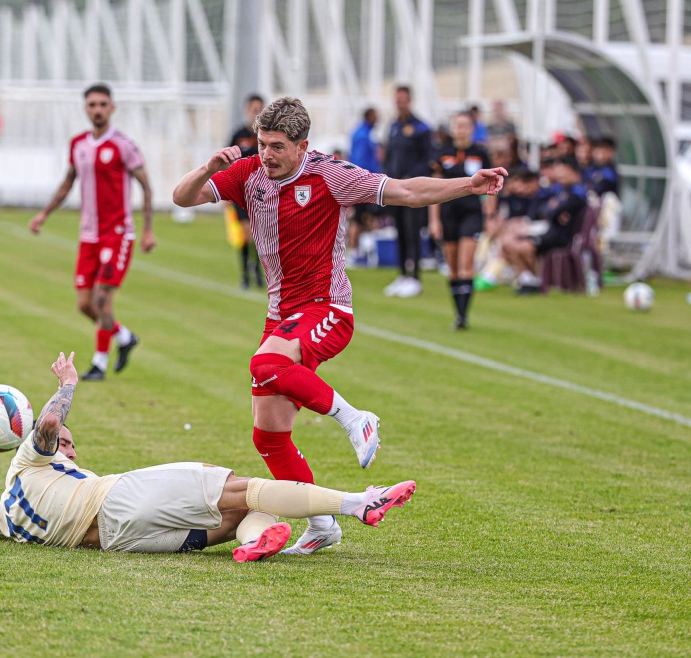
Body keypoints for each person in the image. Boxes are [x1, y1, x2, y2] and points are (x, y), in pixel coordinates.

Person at [172, 96, 505, 554]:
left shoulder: (329, 174)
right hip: (281, 316)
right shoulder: (248, 172)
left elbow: (407, 191)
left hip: (327, 309)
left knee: (263, 363)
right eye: (262, 143)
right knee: (267, 433)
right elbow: (182, 197)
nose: (267, 154)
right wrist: (208, 167)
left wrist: (469, 184)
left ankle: (355, 419)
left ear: (302, 145)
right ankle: (324, 523)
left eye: (277, 146)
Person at [0, 351, 416, 563]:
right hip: (115, 500)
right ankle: (357, 503)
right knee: (238, 486)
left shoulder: (4, 515)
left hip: (118, 543)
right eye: (66, 446)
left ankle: (252, 543)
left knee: (240, 513)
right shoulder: (29, 461)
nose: (70, 448)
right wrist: (67, 386)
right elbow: (45, 427)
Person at [29, 83, 156, 381]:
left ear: (112, 108)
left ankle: (99, 363)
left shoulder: (123, 145)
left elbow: (146, 187)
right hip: (89, 235)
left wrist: (148, 230)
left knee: (102, 299)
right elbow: (67, 182)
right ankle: (124, 337)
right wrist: (44, 214)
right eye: (92, 105)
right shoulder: (78, 145)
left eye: (102, 104)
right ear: (85, 109)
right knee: (84, 304)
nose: (97, 109)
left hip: (118, 233)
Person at [428, 111, 495, 329]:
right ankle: (458, 313)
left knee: (467, 264)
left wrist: (490, 216)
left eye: (465, 125)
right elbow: (432, 189)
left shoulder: (480, 153)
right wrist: (434, 220)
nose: (461, 129)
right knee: (453, 267)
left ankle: (464, 316)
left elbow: (493, 187)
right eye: (458, 125)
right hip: (448, 214)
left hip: (472, 212)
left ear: (472, 129)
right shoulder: (442, 153)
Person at [501, 156, 587, 294]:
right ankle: (527, 278)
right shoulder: (561, 190)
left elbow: (552, 212)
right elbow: (546, 211)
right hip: (550, 230)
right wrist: (553, 210)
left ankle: (536, 279)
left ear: (573, 172)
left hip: (562, 236)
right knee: (507, 242)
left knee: (523, 247)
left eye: (563, 171)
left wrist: (554, 210)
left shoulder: (577, 193)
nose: (559, 175)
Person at [382, 86, 435, 298]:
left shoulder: (421, 128)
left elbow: (428, 160)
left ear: (409, 100)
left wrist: (411, 177)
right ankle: (403, 274)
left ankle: (415, 276)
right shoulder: (394, 127)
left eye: (403, 100)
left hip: (412, 190)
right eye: (397, 100)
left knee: (413, 232)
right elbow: (389, 157)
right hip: (394, 190)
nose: (400, 103)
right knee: (400, 232)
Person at [228, 94, 266, 289]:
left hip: (263, 192)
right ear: (247, 110)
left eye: (259, 109)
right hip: (241, 192)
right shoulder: (238, 134)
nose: (256, 113)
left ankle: (260, 273)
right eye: (253, 109)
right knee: (245, 234)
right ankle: (245, 274)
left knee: (260, 236)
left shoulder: (267, 135)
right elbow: (226, 162)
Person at [347, 107, 382, 265]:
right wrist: (364, 181)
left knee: (364, 219)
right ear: (369, 116)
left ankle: (360, 250)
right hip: (364, 182)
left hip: (365, 180)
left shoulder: (362, 132)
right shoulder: (363, 135)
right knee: (359, 219)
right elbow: (360, 160)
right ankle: (354, 252)